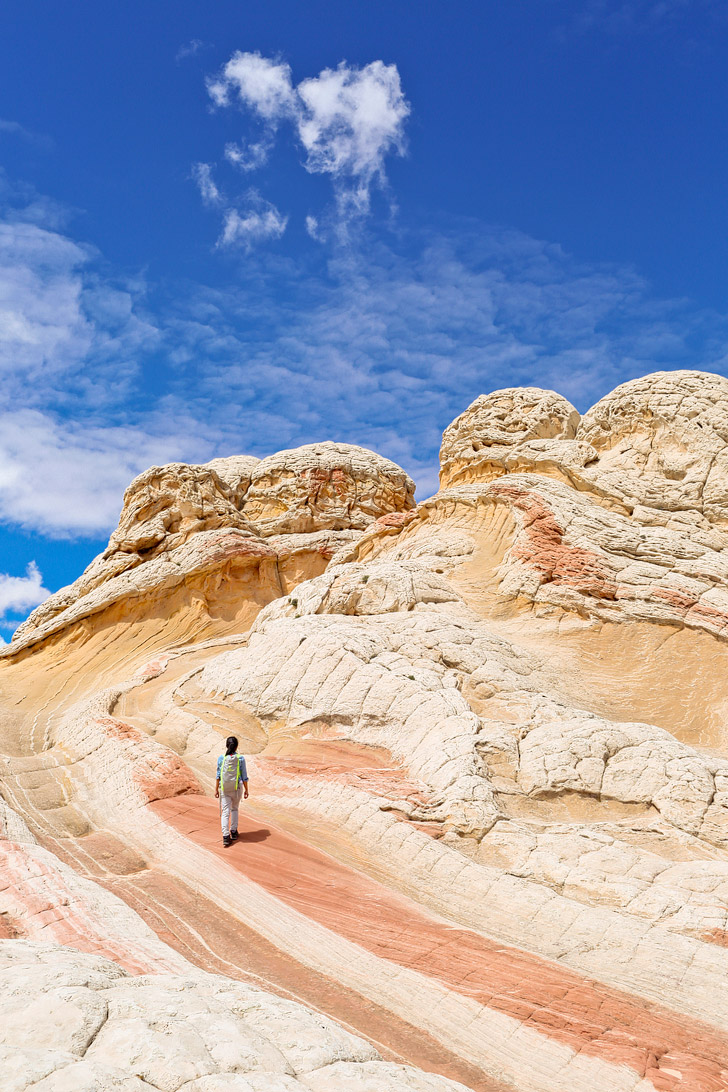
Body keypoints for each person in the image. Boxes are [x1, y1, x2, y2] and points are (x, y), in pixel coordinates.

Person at [215, 735, 249, 848]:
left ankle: (225, 837)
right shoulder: (240, 758)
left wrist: (216, 789)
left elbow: (218, 775)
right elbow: (244, 776)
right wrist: (246, 790)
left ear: (226, 745)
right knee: (234, 809)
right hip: (237, 787)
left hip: (225, 788)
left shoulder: (221, 758)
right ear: (236, 746)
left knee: (225, 812)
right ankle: (233, 832)